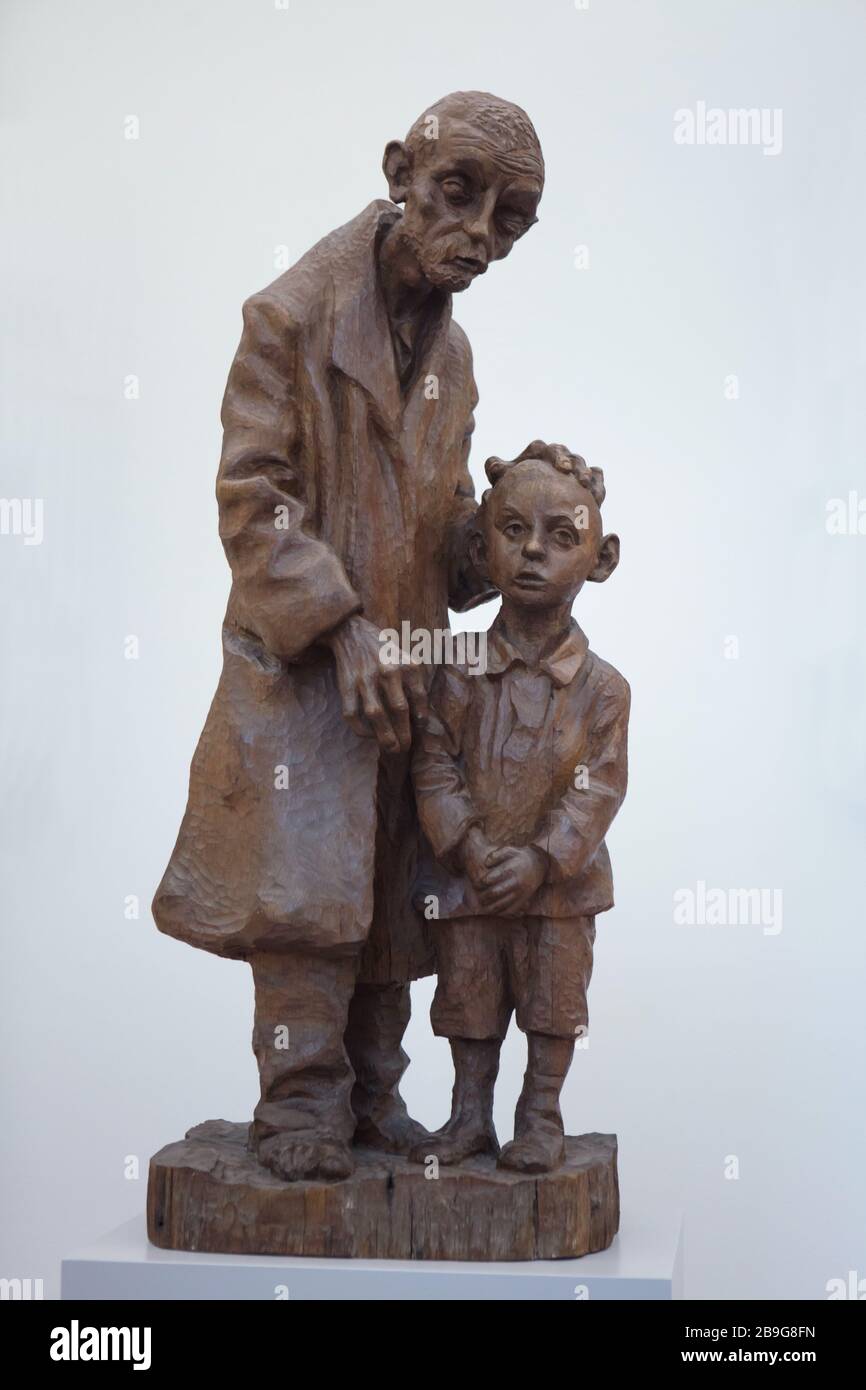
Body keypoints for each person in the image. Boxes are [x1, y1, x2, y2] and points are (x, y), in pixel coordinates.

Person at [152, 93, 545, 1182]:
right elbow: (255, 498)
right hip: (302, 673)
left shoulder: (453, 353)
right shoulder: (290, 315)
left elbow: (433, 529)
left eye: (510, 218)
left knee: (392, 899)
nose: (477, 232)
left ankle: (375, 1097)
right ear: (398, 174)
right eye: (458, 193)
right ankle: (299, 1108)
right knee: (304, 907)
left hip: (408, 672)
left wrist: (503, 528)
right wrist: (340, 624)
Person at [411, 442, 630, 1173]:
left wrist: (542, 860)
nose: (534, 551)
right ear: (480, 544)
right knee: (468, 999)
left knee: (552, 1004)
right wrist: (467, 847)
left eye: (562, 537)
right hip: (469, 883)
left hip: (557, 895)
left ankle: (540, 1116)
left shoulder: (604, 690)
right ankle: (469, 1115)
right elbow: (433, 763)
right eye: (512, 530)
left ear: (600, 559)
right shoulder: (455, 667)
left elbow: (600, 784)